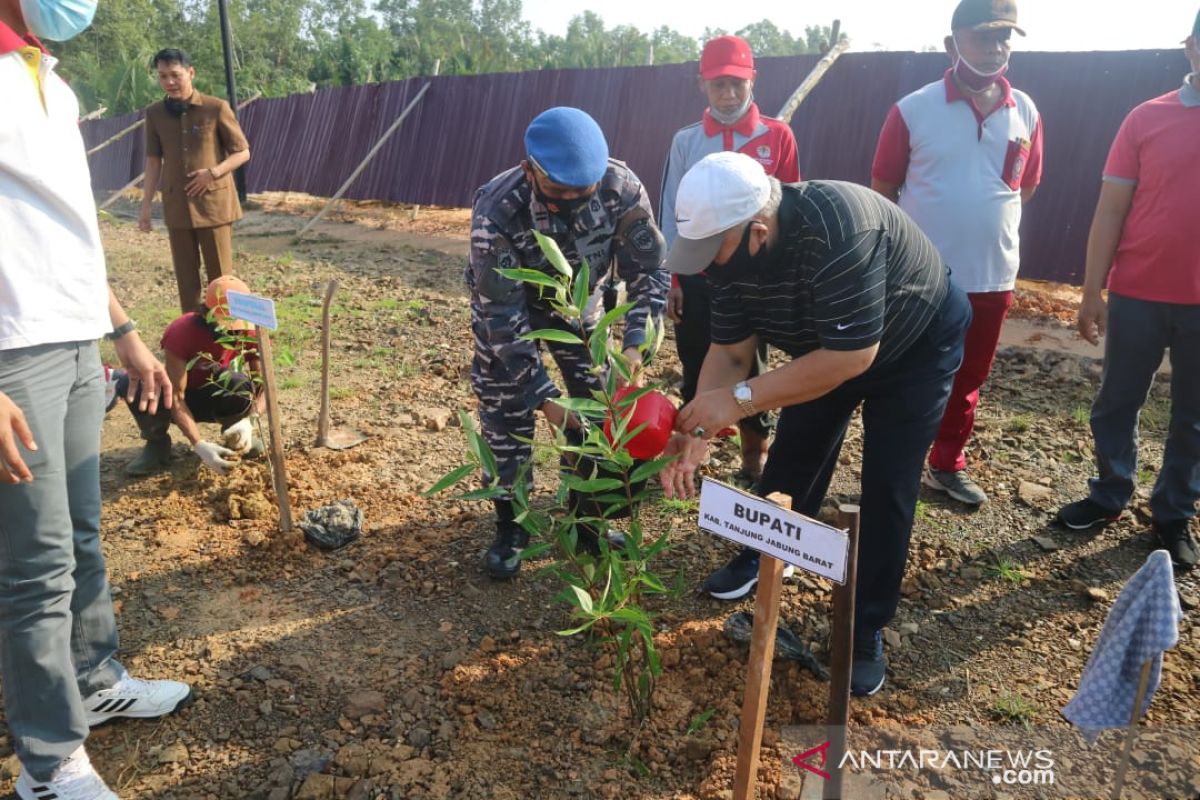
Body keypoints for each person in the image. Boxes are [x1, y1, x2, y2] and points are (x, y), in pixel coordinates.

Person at [659, 152, 970, 696]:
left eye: (714, 253)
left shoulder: (840, 228)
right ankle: (763, 553)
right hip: (824, 347)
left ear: (758, 231)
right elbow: (730, 353)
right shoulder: (729, 258)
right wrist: (699, 431)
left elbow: (850, 359)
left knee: (887, 484)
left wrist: (736, 403)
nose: (707, 267)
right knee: (794, 457)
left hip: (913, 345)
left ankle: (864, 626)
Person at [1, 2, 192, 798]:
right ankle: (49, 763)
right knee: (34, 566)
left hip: (75, 334)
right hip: (12, 347)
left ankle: (96, 677)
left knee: (81, 536)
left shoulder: (44, 71)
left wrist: (123, 330)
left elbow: (65, 222)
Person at [467, 106, 668, 579]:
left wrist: (637, 346)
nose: (575, 200)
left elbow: (651, 273)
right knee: (506, 409)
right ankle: (512, 523)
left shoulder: (622, 188)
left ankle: (589, 520)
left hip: (580, 308)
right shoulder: (497, 210)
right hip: (510, 311)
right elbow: (502, 320)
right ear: (529, 171)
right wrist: (548, 402)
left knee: (599, 407)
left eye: (585, 190)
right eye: (560, 192)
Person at [871, 0, 1043, 507]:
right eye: (984, 37)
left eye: (1005, 38)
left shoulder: (1026, 111)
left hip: (993, 274)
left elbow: (1023, 186)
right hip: (924, 277)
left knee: (969, 376)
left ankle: (947, 462)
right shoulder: (913, 109)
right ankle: (895, 463)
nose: (996, 48)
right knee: (907, 370)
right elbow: (883, 191)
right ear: (952, 44)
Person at [1056, 10, 1200, 570]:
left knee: (1193, 416)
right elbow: (1111, 208)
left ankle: (1173, 514)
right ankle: (1111, 493)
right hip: (1139, 291)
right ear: (1190, 46)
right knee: (1116, 401)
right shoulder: (1146, 119)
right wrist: (1091, 292)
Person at [660, 35, 800, 485]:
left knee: (750, 361)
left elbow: (794, 204)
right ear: (703, 85)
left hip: (754, 275)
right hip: (699, 272)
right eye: (719, 85)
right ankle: (688, 446)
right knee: (696, 357)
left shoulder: (776, 135)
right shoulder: (686, 141)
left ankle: (754, 455)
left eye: (737, 84)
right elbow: (671, 209)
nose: (728, 94)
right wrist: (674, 279)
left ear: (752, 81)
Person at [140, 47, 251, 312]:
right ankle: (192, 338)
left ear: (191, 73)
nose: (169, 82)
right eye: (163, 76)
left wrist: (212, 173)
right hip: (177, 205)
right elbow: (154, 160)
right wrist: (145, 207)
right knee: (186, 280)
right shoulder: (155, 114)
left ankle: (228, 337)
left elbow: (242, 152)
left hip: (214, 205)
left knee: (221, 279)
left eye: (175, 75)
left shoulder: (216, 108)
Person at [120, 275, 265, 477]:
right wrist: (199, 444)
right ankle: (157, 444)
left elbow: (265, 385)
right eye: (226, 327)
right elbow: (176, 395)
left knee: (239, 384)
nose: (232, 334)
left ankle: (237, 435)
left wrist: (250, 420)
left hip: (215, 392)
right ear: (207, 315)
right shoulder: (181, 333)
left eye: (236, 327)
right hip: (180, 395)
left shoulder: (249, 331)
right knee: (134, 384)